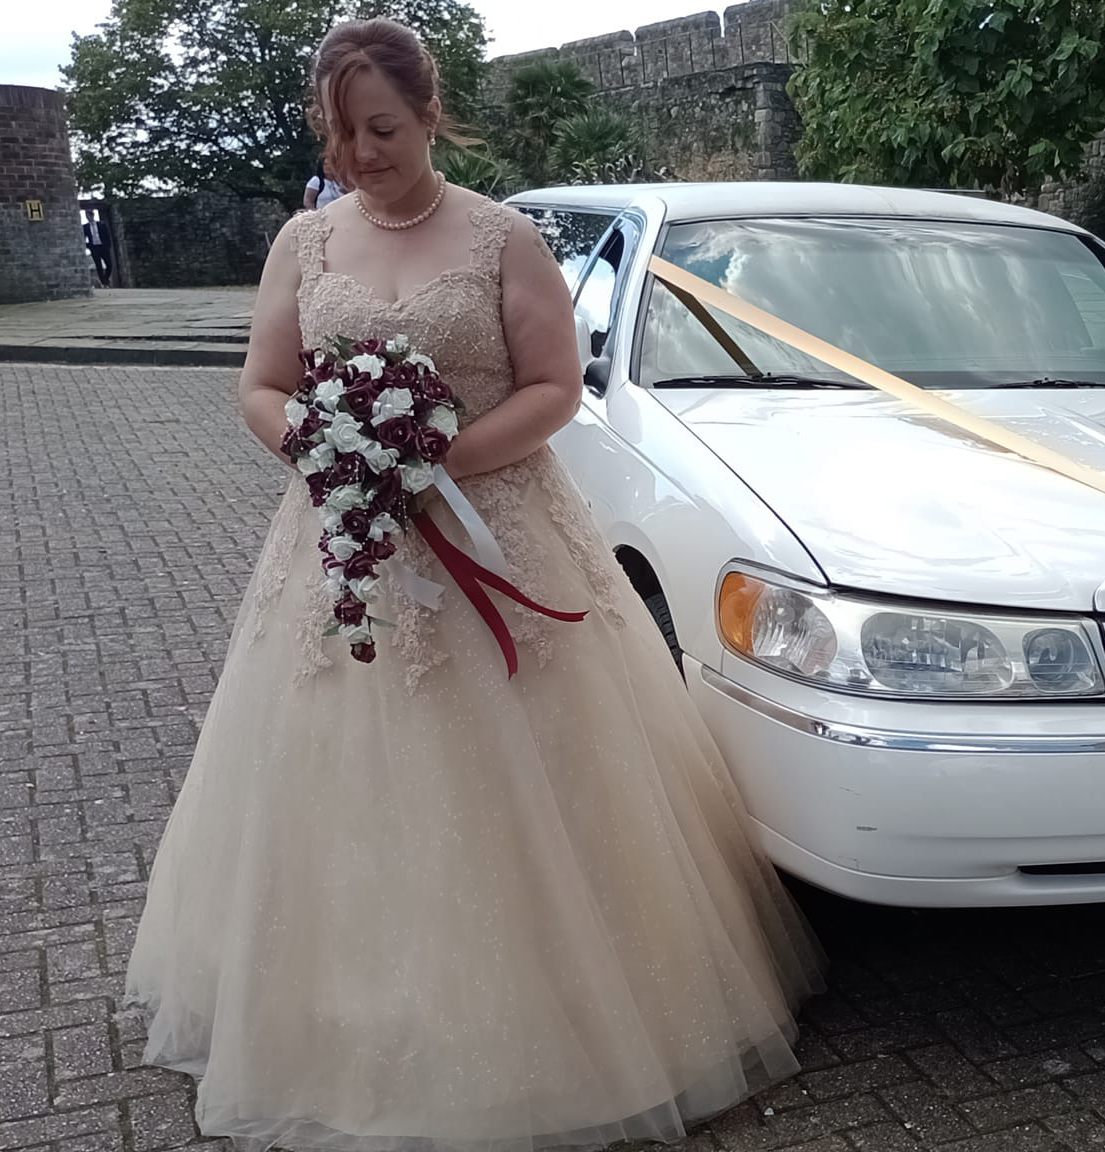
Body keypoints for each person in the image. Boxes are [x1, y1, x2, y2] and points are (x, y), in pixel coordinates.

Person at [124, 18, 823, 1150]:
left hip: (497, 536)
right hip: (345, 546)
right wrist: (329, 450)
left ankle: (571, 1024)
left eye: (382, 128)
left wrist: (431, 461)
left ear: (430, 112)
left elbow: (554, 384)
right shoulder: (304, 242)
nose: (359, 152)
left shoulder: (501, 238)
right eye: (340, 132)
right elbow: (259, 386)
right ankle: (338, 1021)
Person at [82, 212, 112, 285]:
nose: (88, 218)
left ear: (92, 215)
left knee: (109, 264)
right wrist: (88, 246)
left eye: (89, 216)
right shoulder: (85, 227)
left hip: (103, 247)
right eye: (87, 216)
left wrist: (108, 245)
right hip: (94, 248)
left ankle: (106, 278)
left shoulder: (101, 224)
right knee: (98, 266)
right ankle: (104, 282)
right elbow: (83, 238)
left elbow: (107, 235)